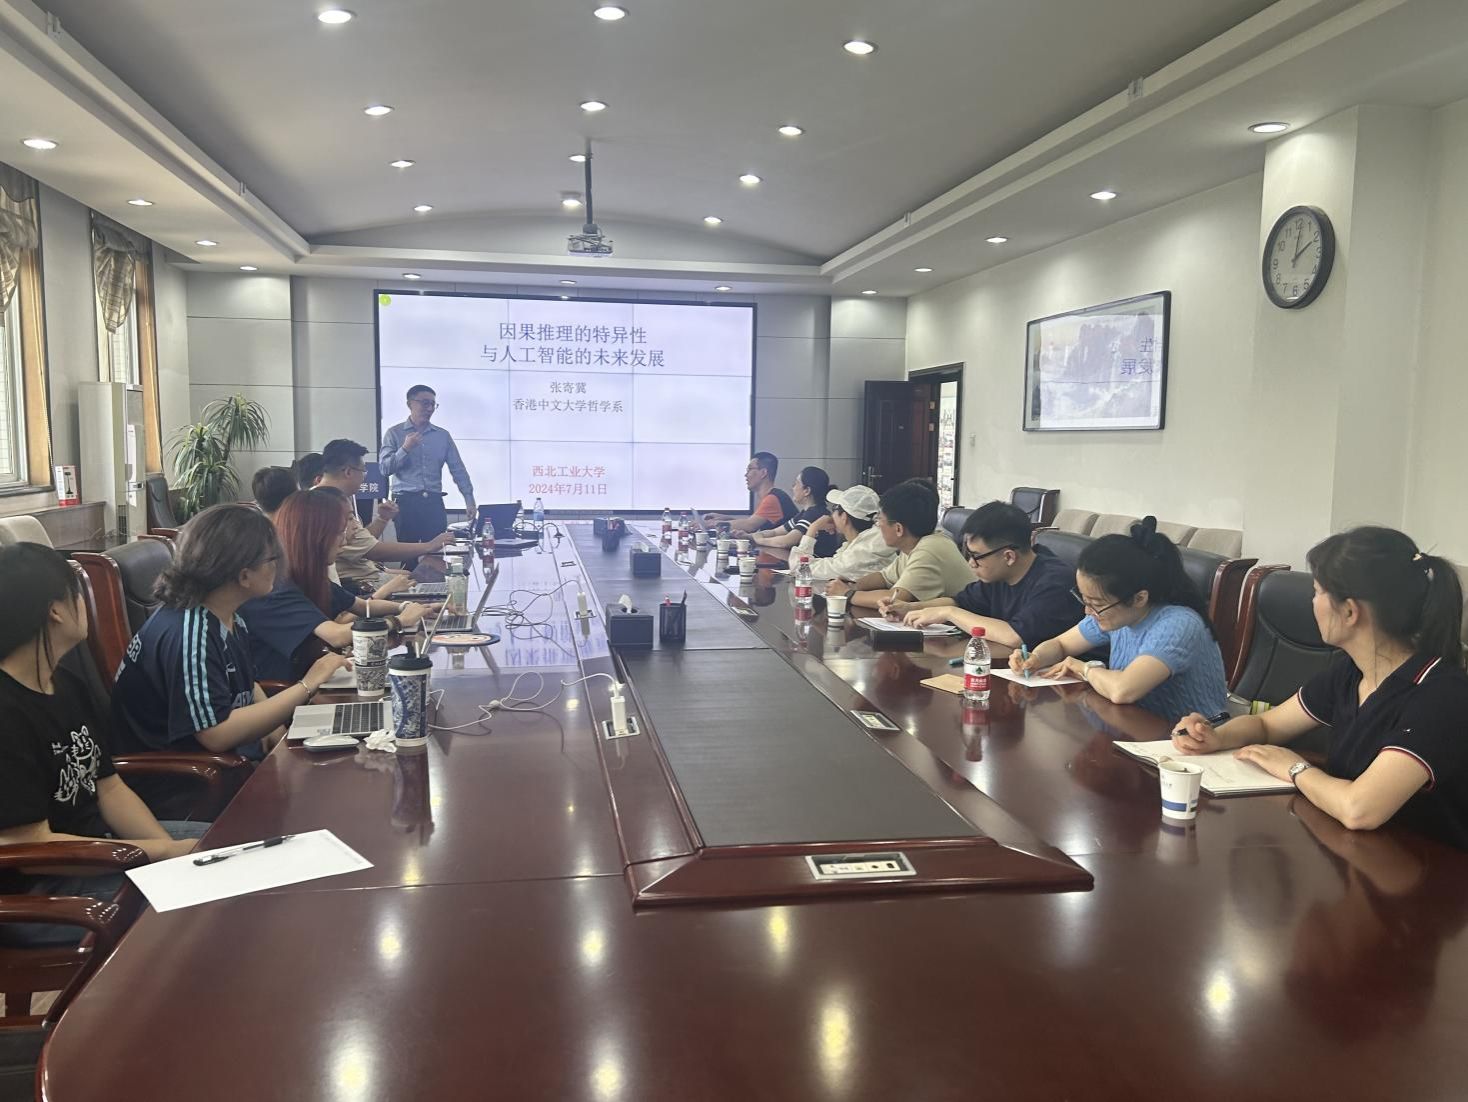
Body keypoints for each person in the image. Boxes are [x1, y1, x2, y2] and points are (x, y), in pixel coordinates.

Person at [1172, 526, 1468, 848]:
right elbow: (1266, 725)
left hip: (1431, 867)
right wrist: (1215, 737)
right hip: (1360, 853)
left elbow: (1360, 810)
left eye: (1317, 592)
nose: (1312, 602)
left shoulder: (1441, 695)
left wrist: (1295, 768)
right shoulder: (1352, 672)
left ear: (1350, 611)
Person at [0, 544, 209, 944]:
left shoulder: (66, 683)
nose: (84, 603)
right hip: (38, 891)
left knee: (232, 846)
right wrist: (159, 856)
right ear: (56, 611)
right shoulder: (7, 713)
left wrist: (164, 849)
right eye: (77, 593)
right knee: (208, 899)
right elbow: (31, 847)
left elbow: (109, 788)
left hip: (101, 850)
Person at [112, 505, 351, 769]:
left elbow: (247, 684)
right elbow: (216, 734)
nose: (278, 567)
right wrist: (308, 684)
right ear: (244, 575)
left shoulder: (227, 614)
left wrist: (276, 732)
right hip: (186, 778)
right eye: (272, 559)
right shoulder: (191, 633)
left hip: (234, 759)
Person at [1013, 516, 1226, 719]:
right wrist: (1035, 658)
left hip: (1189, 738)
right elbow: (1060, 644)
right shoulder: (1118, 614)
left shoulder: (1178, 624)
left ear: (1139, 598)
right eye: (1084, 600)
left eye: (1096, 604)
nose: (1088, 611)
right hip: (1134, 728)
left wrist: (1085, 669)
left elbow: (1123, 690)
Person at [240, 488, 434, 682]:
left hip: (315, 678)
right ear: (315, 536)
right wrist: (399, 620)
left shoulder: (308, 575)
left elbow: (362, 606)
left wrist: (412, 607)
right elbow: (337, 635)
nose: (345, 540)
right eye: (339, 533)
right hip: (290, 689)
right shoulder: (277, 587)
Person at [896, 501, 1082, 659]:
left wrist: (949, 613)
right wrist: (911, 608)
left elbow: (1015, 636)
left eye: (976, 556)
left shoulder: (1055, 582)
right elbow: (960, 602)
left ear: (1008, 556)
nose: (971, 563)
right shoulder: (1000, 574)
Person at [318, 438, 452, 589]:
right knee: (440, 581)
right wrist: (429, 546)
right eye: (363, 471)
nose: (364, 478)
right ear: (348, 472)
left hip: (368, 578)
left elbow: (359, 541)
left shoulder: (331, 498)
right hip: (360, 586)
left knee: (434, 574)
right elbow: (375, 551)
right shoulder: (324, 505)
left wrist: (382, 519)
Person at [826, 479, 970, 610]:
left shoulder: (930, 549)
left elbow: (896, 599)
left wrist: (847, 594)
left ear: (898, 529)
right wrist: (853, 585)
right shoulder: (914, 544)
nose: (878, 525)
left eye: (879, 520)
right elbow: (884, 577)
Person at [379, 384, 476, 543]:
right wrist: (405, 448)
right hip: (405, 503)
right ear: (410, 404)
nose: (430, 408)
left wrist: (469, 499)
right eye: (425, 403)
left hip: (433, 503)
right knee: (408, 553)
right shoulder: (394, 433)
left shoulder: (442, 436)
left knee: (437, 551)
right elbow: (384, 469)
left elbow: (458, 469)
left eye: (433, 404)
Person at [793, 485, 896, 583]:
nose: (831, 515)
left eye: (834, 509)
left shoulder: (859, 554)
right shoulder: (868, 542)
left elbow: (800, 569)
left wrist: (812, 529)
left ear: (844, 517)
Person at [702, 452, 796, 534]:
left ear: (763, 473)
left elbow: (750, 526)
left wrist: (711, 524)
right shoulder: (771, 496)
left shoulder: (772, 499)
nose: (746, 475)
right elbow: (752, 523)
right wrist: (725, 518)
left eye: (750, 469)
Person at [751, 466, 835, 553]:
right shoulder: (806, 512)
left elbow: (787, 541)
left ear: (807, 491)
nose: (793, 488)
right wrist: (752, 536)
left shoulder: (815, 514)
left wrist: (761, 540)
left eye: (796, 483)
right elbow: (775, 532)